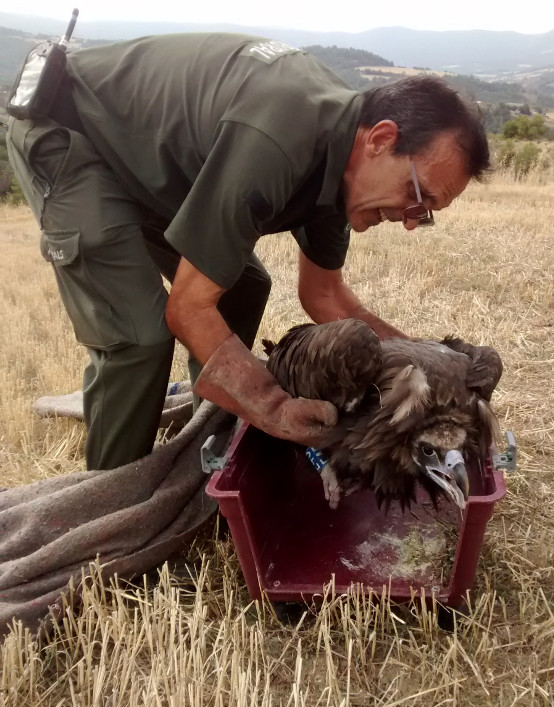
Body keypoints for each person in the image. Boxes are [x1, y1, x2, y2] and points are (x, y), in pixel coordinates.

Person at [7, 33, 490, 470]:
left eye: (426, 213)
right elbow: (188, 310)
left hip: (146, 165)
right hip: (70, 132)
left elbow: (325, 295)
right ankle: (115, 499)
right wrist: (272, 407)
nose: (410, 219)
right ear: (381, 140)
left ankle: (207, 444)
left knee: (245, 286)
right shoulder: (279, 139)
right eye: (417, 194)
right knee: (140, 338)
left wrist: (424, 366)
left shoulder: (342, 165)